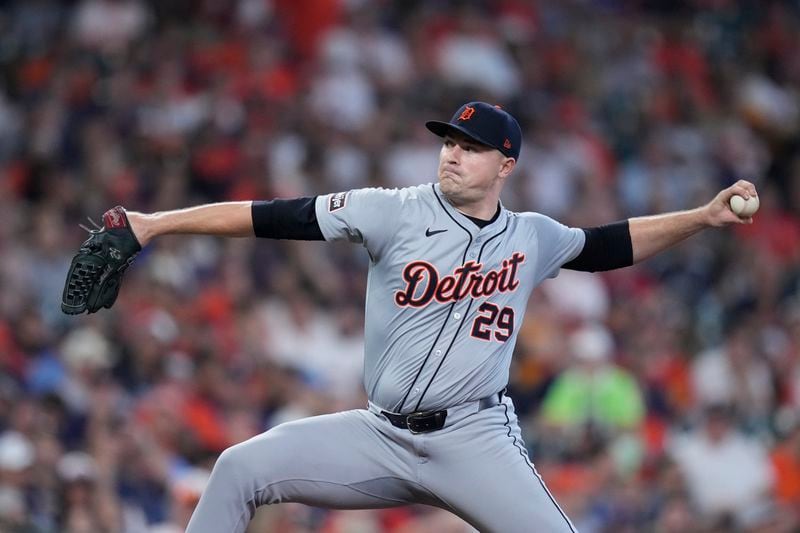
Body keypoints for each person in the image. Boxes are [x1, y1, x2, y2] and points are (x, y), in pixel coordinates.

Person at [113, 102, 757, 532]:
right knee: (238, 468)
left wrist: (702, 217)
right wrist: (157, 224)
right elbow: (269, 216)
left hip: (475, 440)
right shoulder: (392, 209)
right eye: (449, 141)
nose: (452, 154)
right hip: (379, 434)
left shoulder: (531, 236)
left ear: (505, 165)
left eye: (471, 148)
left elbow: (610, 244)